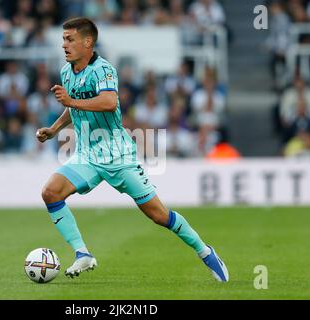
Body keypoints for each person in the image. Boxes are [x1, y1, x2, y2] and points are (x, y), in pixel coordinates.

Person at [36, 17, 229, 282]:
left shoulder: (103, 69)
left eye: (69, 39)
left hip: (117, 155)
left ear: (87, 42)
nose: (64, 45)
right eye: (63, 39)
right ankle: (83, 254)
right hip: (87, 155)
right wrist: (55, 129)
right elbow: (73, 107)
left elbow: (108, 101)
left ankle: (206, 252)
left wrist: (71, 100)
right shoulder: (67, 71)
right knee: (51, 192)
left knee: (159, 216)